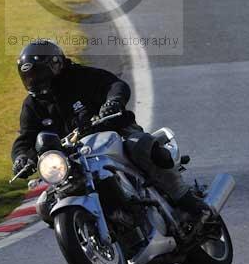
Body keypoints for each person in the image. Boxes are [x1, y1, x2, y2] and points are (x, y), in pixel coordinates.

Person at [11, 39, 208, 220]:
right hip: (72, 156)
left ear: (55, 65)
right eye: (29, 77)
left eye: (39, 74)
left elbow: (115, 85)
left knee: (142, 148)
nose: (35, 81)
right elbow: (25, 138)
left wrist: (113, 102)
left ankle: (187, 200)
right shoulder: (32, 105)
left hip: (113, 133)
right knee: (45, 205)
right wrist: (21, 158)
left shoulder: (82, 77)